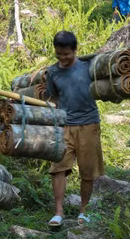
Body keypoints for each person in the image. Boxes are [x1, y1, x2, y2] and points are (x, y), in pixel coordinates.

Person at [45, 31, 105, 228]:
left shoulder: (88, 67)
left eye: (66, 54)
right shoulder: (52, 72)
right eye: (59, 54)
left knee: (88, 172)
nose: (62, 58)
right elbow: (53, 98)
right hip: (64, 126)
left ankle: (84, 210)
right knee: (58, 168)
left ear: (75, 51)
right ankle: (58, 212)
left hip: (89, 124)